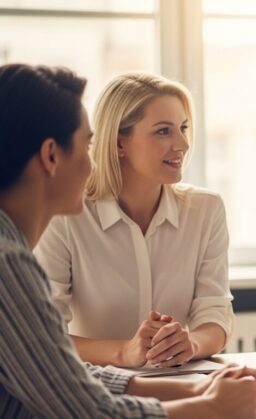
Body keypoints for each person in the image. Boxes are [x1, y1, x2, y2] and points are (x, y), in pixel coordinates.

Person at [0, 63, 256, 418]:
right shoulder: (9, 263)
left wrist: (197, 386)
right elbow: (88, 411)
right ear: (51, 156)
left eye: (183, 128)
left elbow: (57, 372)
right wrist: (211, 407)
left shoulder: (11, 251)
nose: (94, 164)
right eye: (87, 144)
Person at [34, 73, 233, 368]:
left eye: (183, 128)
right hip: (98, 391)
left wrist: (191, 343)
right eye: (163, 131)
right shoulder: (66, 215)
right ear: (118, 144)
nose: (182, 144)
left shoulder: (206, 209)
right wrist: (123, 352)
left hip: (179, 380)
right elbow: (45, 335)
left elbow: (215, 315)